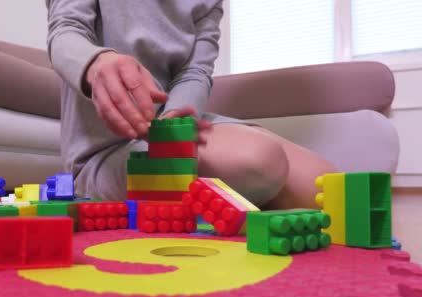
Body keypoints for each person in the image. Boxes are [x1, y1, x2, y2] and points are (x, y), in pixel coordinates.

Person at [45, 0, 337, 209]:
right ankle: (230, 195)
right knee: (261, 161)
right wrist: (96, 64)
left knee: (329, 187)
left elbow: (194, 72)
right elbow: (65, 32)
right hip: (105, 152)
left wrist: (175, 117)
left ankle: (228, 199)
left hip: (173, 129)